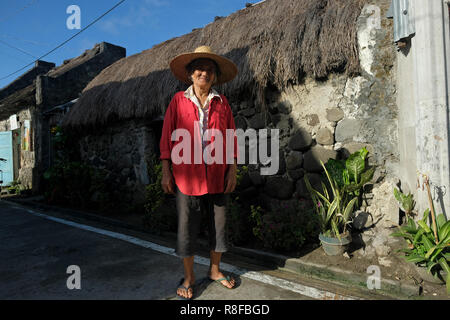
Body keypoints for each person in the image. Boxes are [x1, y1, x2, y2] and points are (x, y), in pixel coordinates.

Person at [160, 46, 239, 300]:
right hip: (186, 175)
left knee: (219, 225)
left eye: (208, 69)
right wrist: (166, 171)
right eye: (199, 69)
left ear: (214, 76)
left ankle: (215, 270)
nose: (203, 73)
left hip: (217, 174)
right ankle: (189, 276)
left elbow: (230, 138)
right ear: (190, 74)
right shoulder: (178, 101)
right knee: (187, 226)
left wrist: (232, 171)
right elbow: (166, 138)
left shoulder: (222, 102)